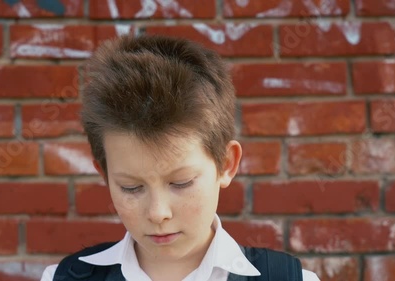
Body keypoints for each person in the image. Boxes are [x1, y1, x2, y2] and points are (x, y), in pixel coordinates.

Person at [40, 34, 320, 281]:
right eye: (131, 187)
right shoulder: (61, 278)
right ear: (105, 175)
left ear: (226, 164)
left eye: (181, 182)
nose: (158, 213)